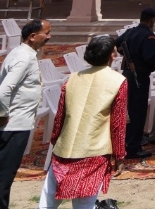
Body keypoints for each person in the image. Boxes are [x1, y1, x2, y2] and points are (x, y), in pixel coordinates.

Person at [39, 34, 127, 209]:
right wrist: (119, 156)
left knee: (47, 202)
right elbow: (118, 124)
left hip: (65, 150)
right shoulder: (118, 81)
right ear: (111, 55)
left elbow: (60, 118)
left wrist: (56, 141)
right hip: (94, 152)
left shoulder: (72, 78)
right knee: (84, 205)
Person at [0, 18, 51, 209]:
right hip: (14, 124)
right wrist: (2, 115)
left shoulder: (23, 53)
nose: (49, 37)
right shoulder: (24, 57)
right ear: (32, 37)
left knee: (4, 174)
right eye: (46, 33)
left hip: (17, 123)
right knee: (3, 175)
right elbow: (3, 91)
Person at [115, 9, 155, 159]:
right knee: (138, 112)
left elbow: (117, 43)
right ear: (152, 20)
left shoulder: (130, 32)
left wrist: (129, 57)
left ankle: (128, 140)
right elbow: (150, 57)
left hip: (127, 73)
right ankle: (134, 146)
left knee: (129, 110)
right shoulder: (148, 35)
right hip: (139, 76)